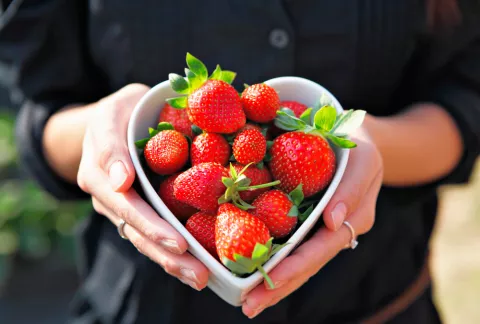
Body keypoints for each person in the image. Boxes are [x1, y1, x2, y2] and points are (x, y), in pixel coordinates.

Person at [0, 0, 479, 323]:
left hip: (376, 300)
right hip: (145, 305)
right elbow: (40, 113)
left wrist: (373, 145)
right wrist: (107, 132)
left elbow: (466, 101)